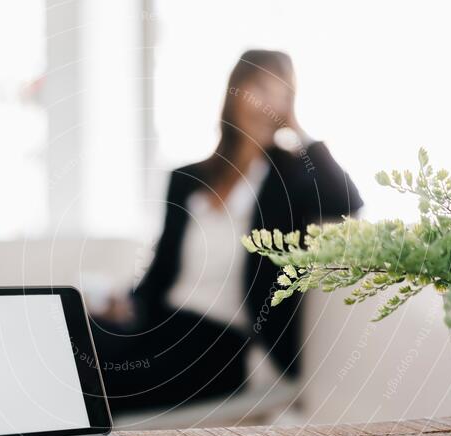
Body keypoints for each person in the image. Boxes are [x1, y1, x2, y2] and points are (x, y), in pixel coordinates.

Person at [91, 50, 362, 414]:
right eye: (262, 88)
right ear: (236, 92)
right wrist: (126, 301)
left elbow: (346, 200)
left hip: (222, 343)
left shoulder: (289, 180)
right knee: (77, 338)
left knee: (103, 379)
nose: (272, 102)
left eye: (284, 93)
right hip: (163, 323)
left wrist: (299, 129)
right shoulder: (185, 179)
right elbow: (164, 264)